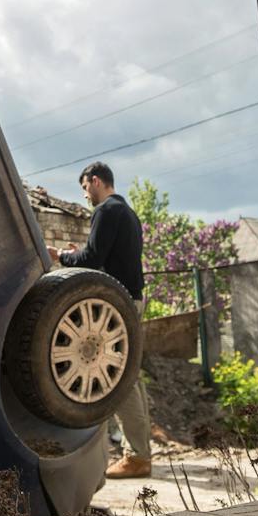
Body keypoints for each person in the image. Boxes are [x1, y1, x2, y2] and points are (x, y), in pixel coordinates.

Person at [46, 161, 153, 479]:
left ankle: (137, 457)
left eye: (84, 187)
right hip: (131, 301)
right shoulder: (128, 213)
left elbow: (92, 259)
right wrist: (80, 252)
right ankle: (141, 451)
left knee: (116, 380)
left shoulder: (106, 210)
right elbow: (105, 257)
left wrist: (61, 256)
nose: (84, 195)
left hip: (116, 306)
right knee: (130, 375)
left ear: (95, 181)